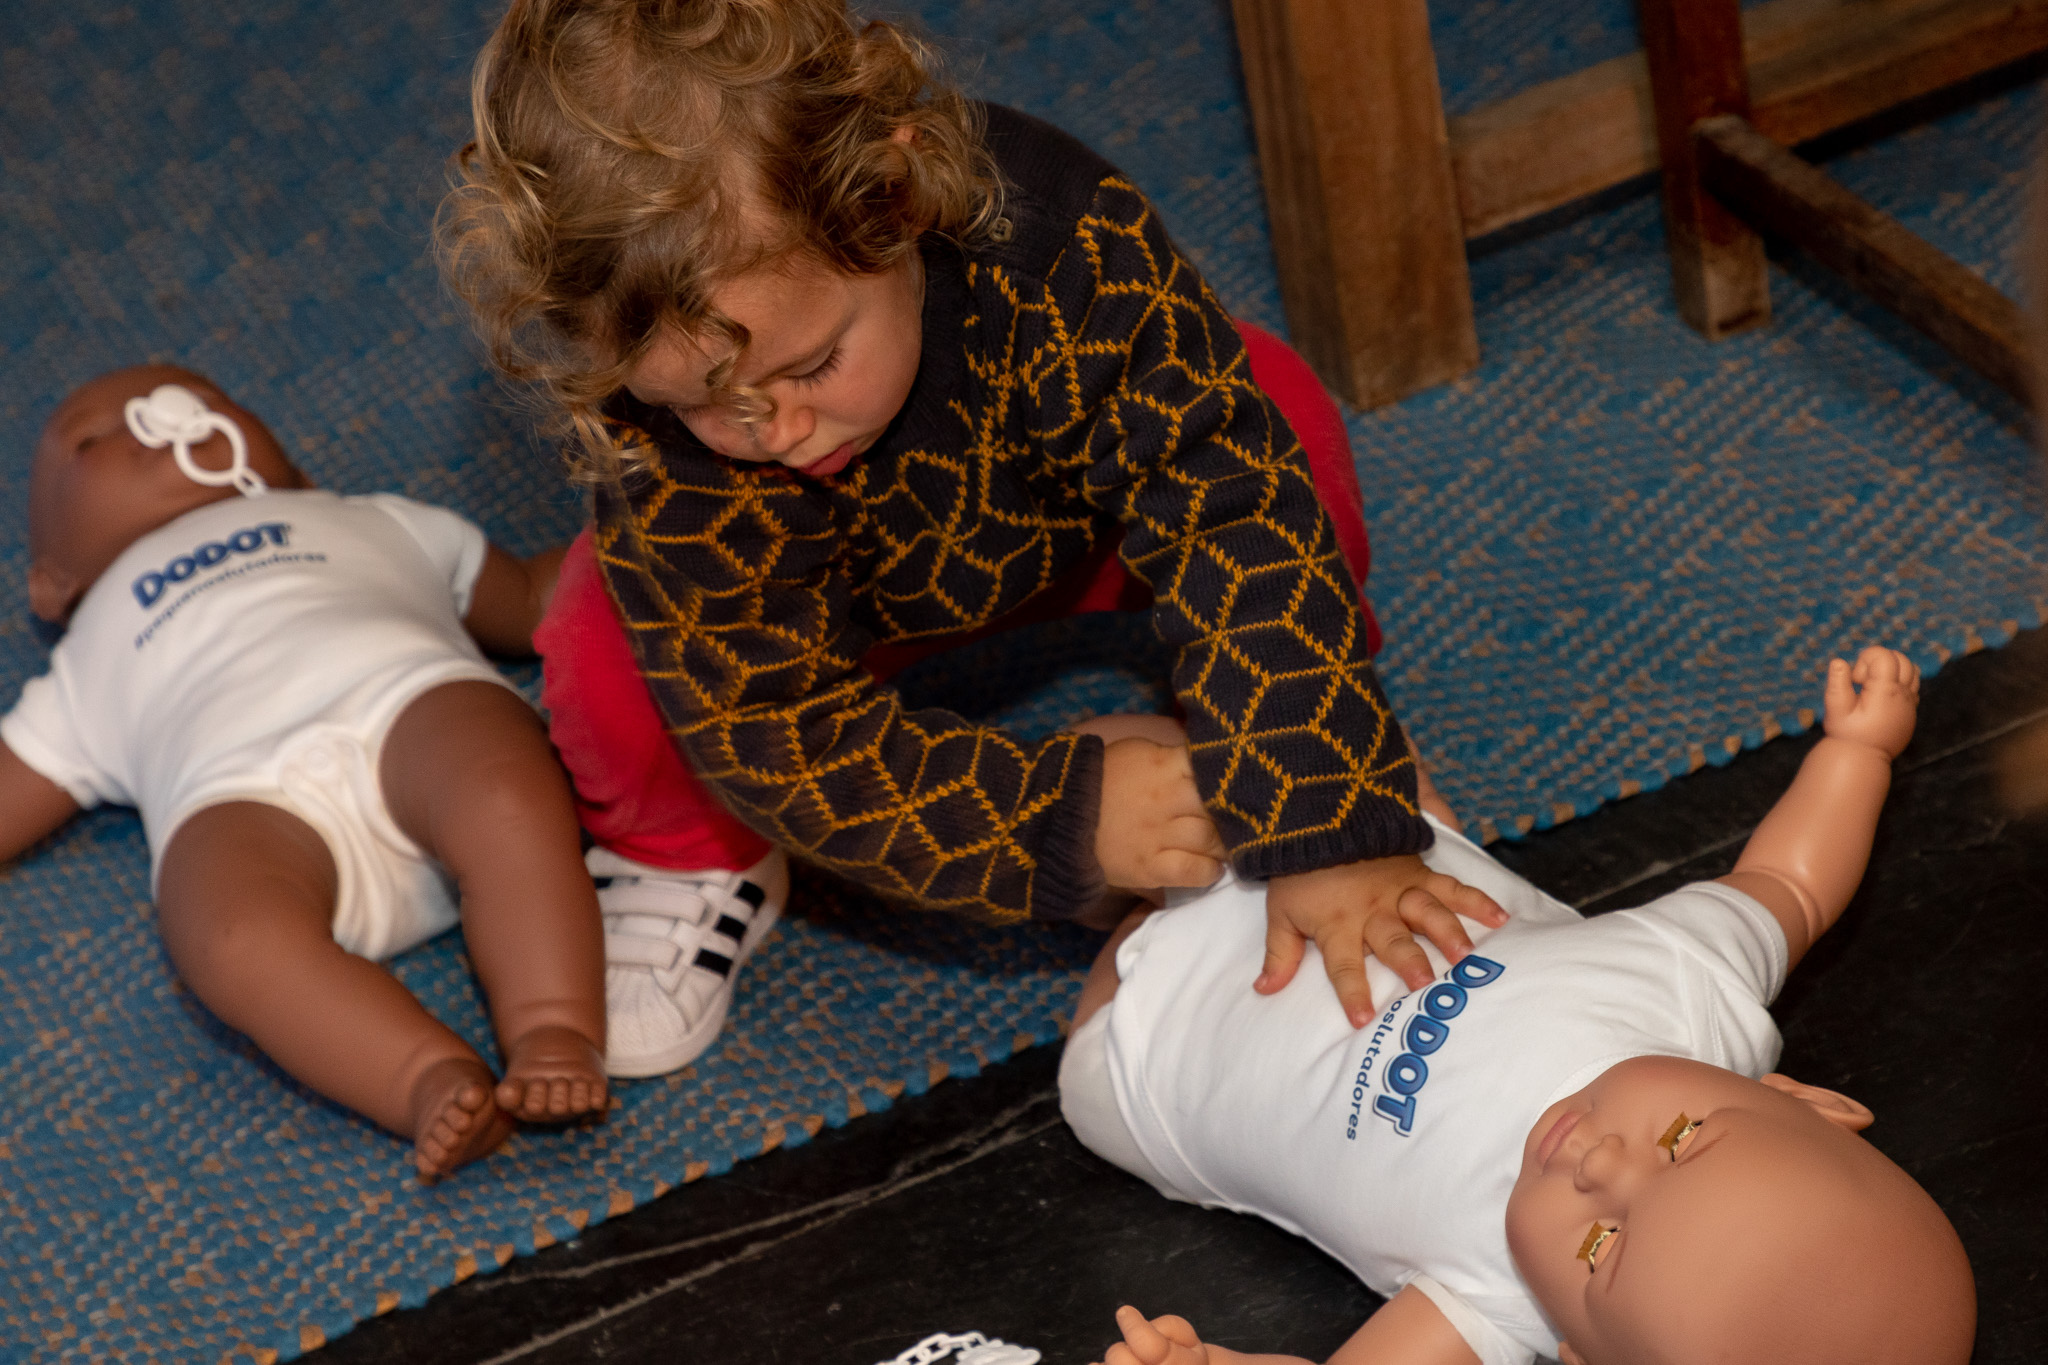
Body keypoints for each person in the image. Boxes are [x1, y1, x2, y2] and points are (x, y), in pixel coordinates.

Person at [437, 0, 1503, 1079]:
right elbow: (778, 727)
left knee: (1271, 415)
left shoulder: (1059, 231)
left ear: (895, 199)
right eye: (702, 404)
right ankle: (685, 855)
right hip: (834, 609)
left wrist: (1316, 798)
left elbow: (1221, 496)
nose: (774, 432)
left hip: (1080, 526)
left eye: (811, 365)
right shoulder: (661, 438)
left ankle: (1280, 714)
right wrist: (1062, 823)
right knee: (604, 644)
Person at [1065, 647, 1975, 1365]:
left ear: (1577, 1350)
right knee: (1293, 728)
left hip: (1160, 1035)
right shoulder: (1692, 985)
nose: (1596, 1161)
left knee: (1089, 795)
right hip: (1352, 855)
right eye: (1681, 1138)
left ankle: (1112, 899)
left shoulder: (1499, 1297)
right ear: (1802, 1099)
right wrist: (1858, 753)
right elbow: (1792, 884)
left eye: (1600, 1249)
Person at [0, 366, 608, 1181]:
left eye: (205, 401)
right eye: (93, 435)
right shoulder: (84, 657)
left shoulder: (375, 519)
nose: (162, 418)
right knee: (230, 935)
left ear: (294, 469)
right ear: (52, 583)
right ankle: (422, 1075)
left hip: (413, 707)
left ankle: (553, 1025)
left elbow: (534, 597)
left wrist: (641, 548)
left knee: (506, 789)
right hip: (241, 802)